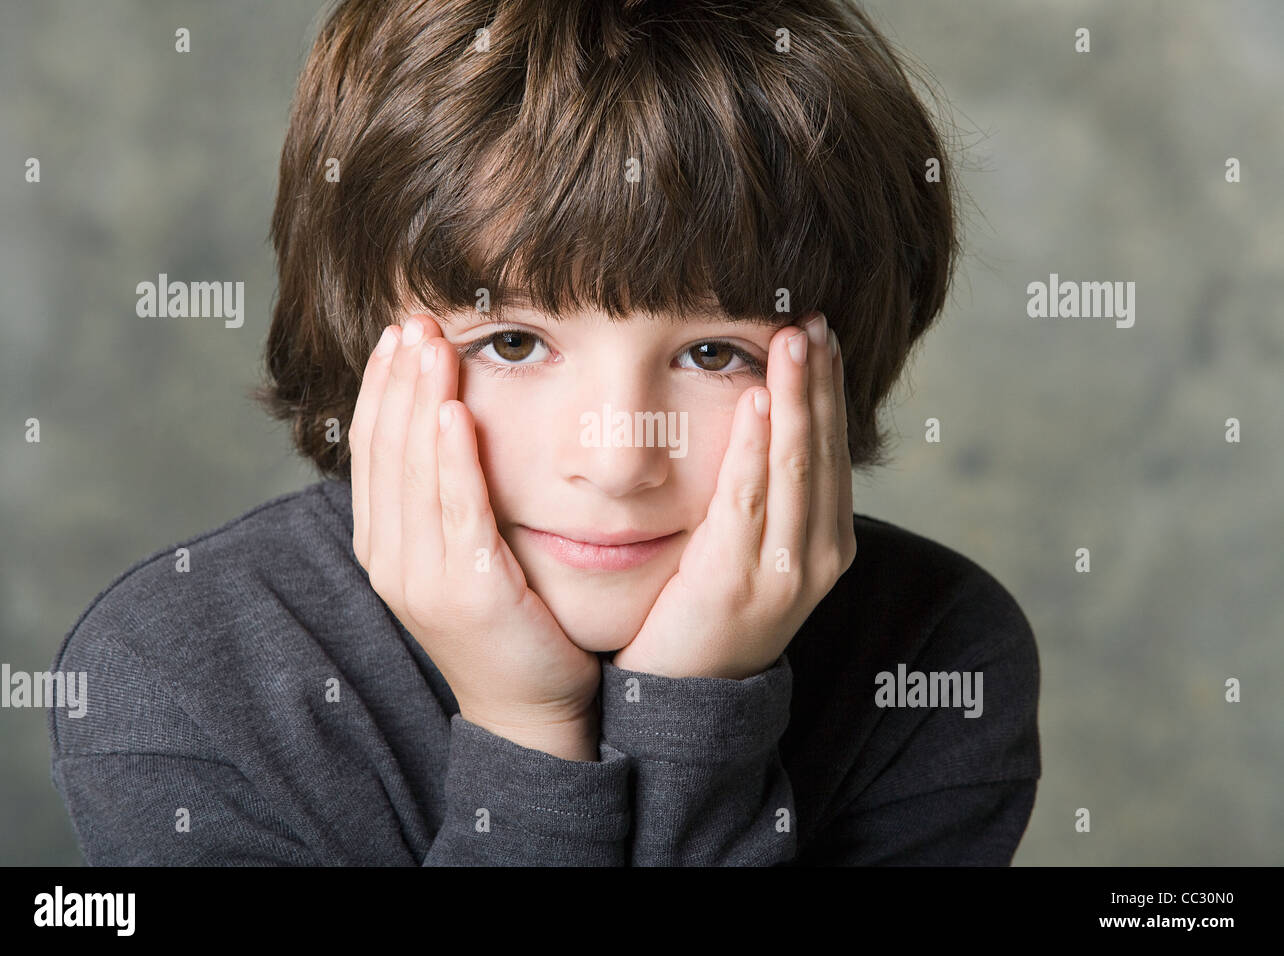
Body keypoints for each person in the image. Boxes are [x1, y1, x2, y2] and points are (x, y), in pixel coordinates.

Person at [50, 0, 1040, 865]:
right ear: (364, 340)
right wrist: (525, 735)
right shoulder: (174, 666)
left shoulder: (937, 655)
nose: (615, 460)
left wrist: (697, 709)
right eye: (514, 340)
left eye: (712, 354)